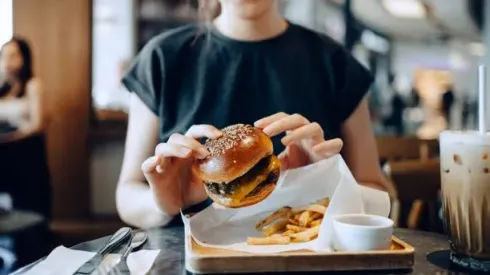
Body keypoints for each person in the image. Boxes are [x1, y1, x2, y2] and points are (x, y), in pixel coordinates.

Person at [116, 0, 396, 229]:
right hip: (187, 261)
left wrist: (330, 181)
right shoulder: (162, 60)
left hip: (307, 260)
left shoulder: (336, 63)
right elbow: (127, 194)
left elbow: (386, 199)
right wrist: (165, 202)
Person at [0, 37, 51, 219]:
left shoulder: (32, 85)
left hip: (25, 153)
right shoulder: (3, 88)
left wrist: (10, 137)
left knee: (28, 207)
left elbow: (38, 125)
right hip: (5, 154)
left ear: (24, 58)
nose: (7, 61)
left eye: (13, 56)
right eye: (4, 56)